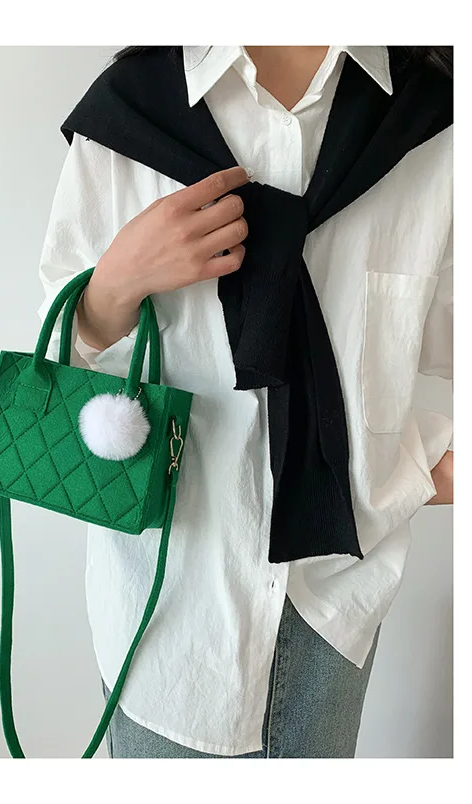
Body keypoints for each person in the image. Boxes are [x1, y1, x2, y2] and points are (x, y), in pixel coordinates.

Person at [36, 46, 453, 758]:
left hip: (333, 608)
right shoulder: (133, 108)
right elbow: (61, 371)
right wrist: (117, 283)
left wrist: (416, 473)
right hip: (166, 606)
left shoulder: (433, 124)